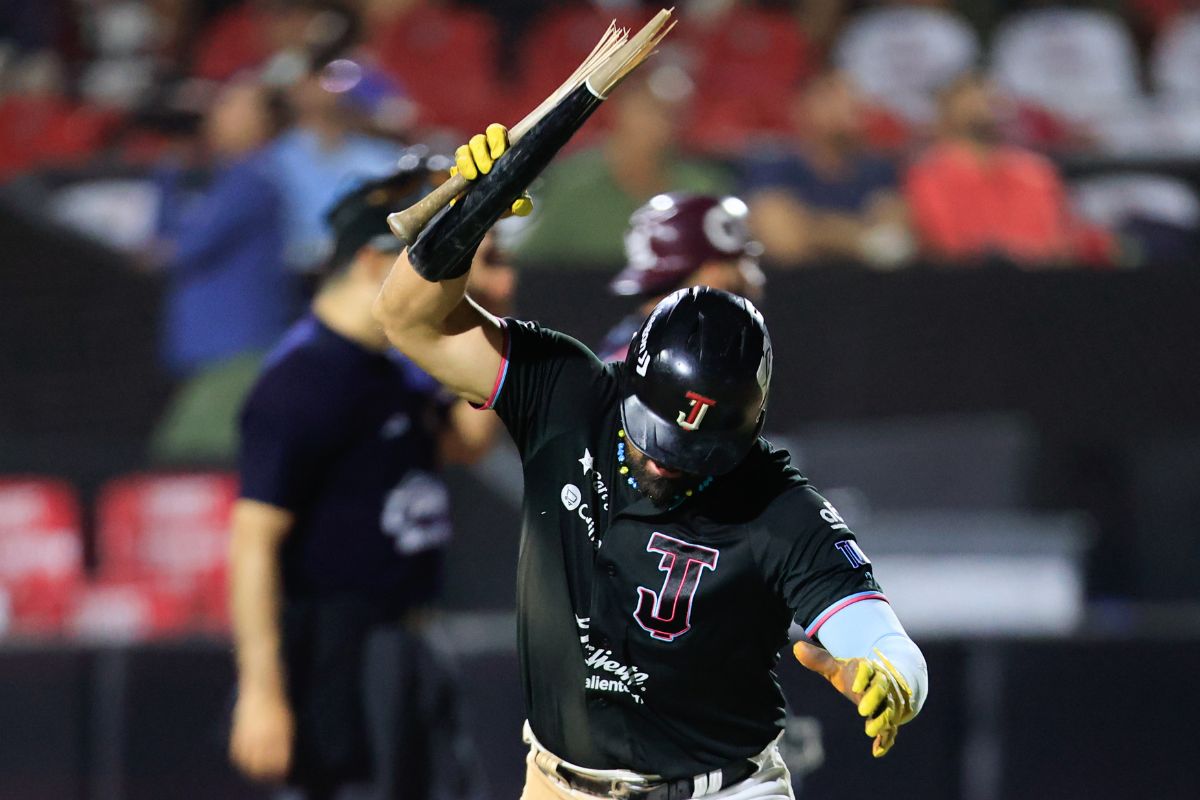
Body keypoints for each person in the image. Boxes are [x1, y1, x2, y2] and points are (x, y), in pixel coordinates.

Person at [372, 125, 929, 798]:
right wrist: (469, 213)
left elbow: (878, 632)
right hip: (559, 783)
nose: (666, 463)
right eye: (654, 433)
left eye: (696, 451)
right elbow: (409, 318)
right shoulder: (568, 395)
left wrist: (892, 676)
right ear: (627, 375)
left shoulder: (777, 505)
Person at [228, 160, 506, 800]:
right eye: (434, 264)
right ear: (375, 266)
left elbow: (468, 441)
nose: (449, 281)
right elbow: (252, 542)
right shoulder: (300, 381)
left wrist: (485, 307)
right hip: (335, 652)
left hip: (410, 637)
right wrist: (262, 691)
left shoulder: (393, 366)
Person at [149, 76, 297, 464]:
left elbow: (181, 248)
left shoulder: (254, 178)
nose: (217, 113)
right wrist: (172, 171)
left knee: (186, 461)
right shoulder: (220, 177)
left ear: (264, 123)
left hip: (238, 353)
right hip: (212, 353)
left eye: (232, 105)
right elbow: (167, 233)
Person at [511, 67, 732, 268]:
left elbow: (729, 264)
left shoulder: (701, 188)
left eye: (671, 114)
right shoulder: (575, 184)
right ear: (621, 109)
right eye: (649, 110)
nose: (659, 125)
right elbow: (528, 263)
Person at [904, 73, 1114, 267]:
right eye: (970, 98)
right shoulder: (928, 174)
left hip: (1035, 287)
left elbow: (1055, 240)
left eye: (988, 97)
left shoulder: (1036, 172)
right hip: (958, 289)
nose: (982, 104)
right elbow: (945, 244)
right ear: (946, 112)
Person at [741, 70, 912, 268]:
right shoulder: (774, 164)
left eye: (851, 97)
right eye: (831, 97)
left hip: (865, 291)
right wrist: (860, 239)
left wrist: (812, 228)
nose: (846, 105)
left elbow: (895, 242)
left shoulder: (878, 169)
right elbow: (785, 242)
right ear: (802, 108)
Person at [598, 192, 765, 361]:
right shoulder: (684, 355)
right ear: (712, 272)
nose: (749, 275)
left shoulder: (630, 348)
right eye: (739, 262)